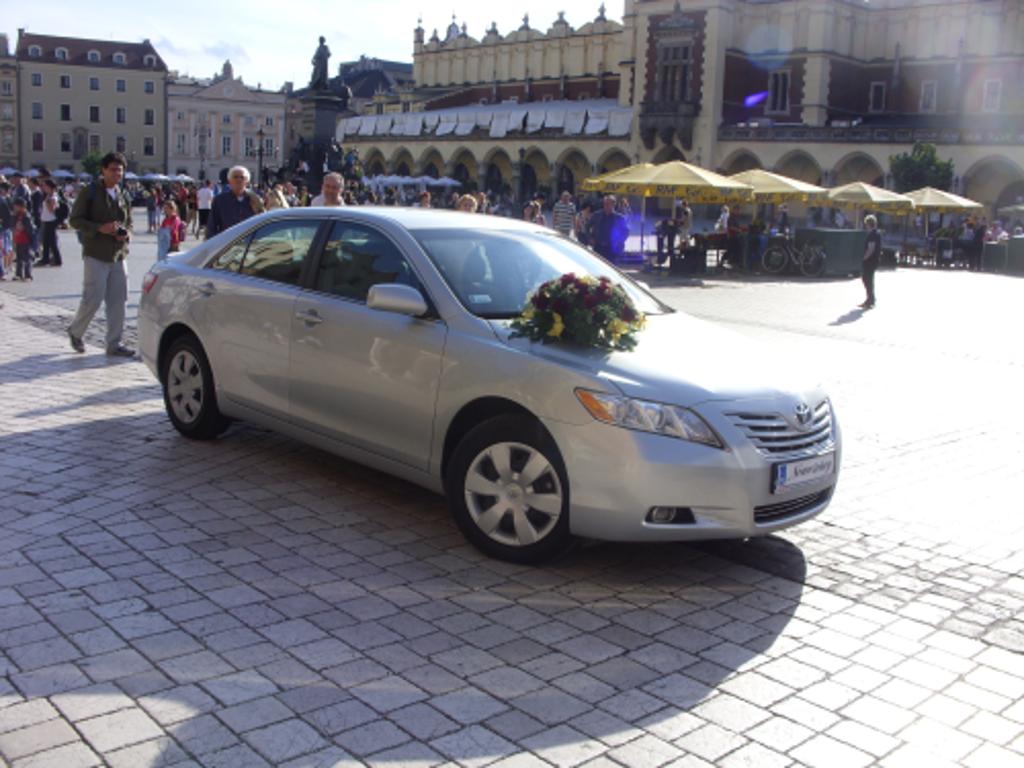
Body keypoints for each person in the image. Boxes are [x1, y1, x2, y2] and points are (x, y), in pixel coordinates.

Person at [68, 151, 134, 356]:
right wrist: (99, 228)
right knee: (93, 299)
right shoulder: (90, 192)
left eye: (120, 170)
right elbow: (75, 221)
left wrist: (126, 233)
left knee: (118, 300)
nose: (117, 174)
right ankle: (76, 332)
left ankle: (114, 343)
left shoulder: (123, 194)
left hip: (118, 254)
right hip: (96, 253)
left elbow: (129, 221)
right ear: (103, 170)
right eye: (113, 169)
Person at [206, 166, 264, 238]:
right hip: (227, 242)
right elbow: (212, 226)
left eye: (242, 177)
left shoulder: (255, 199)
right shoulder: (219, 200)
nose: (239, 180)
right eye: (235, 177)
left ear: (247, 181)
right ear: (229, 180)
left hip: (249, 242)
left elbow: (262, 222)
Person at [588, 195, 629, 262]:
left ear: (613, 204)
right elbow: (587, 226)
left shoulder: (619, 218)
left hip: (611, 248)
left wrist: (619, 241)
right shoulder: (596, 215)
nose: (605, 205)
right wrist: (590, 238)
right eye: (604, 203)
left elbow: (626, 231)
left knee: (610, 268)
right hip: (598, 247)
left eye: (608, 204)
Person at [38, 179, 63, 266]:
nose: (44, 188)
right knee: (46, 241)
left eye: (45, 186)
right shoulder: (48, 195)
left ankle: (57, 260)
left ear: (50, 187)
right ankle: (46, 259)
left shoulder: (53, 197)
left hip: (51, 221)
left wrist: (48, 202)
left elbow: (52, 210)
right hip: (46, 220)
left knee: (51, 241)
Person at [11, 198, 35, 281]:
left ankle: (28, 275)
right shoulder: (17, 215)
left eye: (16, 206)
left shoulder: (26, 216)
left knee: (27, 258)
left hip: (25, 239)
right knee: (19, 258)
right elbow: (13, 224)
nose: (14, 207)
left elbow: (30, 229)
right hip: (18, 238)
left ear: (20, 206)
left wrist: (31, 238)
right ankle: (18, 274)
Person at [860, 214, 881, 309]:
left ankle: (870, 300)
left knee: (867, 279)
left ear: (869, 224)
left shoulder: (872, 235)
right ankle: (870, 299)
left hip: (870, 261)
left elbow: (871, 248)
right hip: (874, 260)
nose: (865, 226)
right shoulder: (876, 233)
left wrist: (864, 258)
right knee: (868, 279)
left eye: (866, 224)